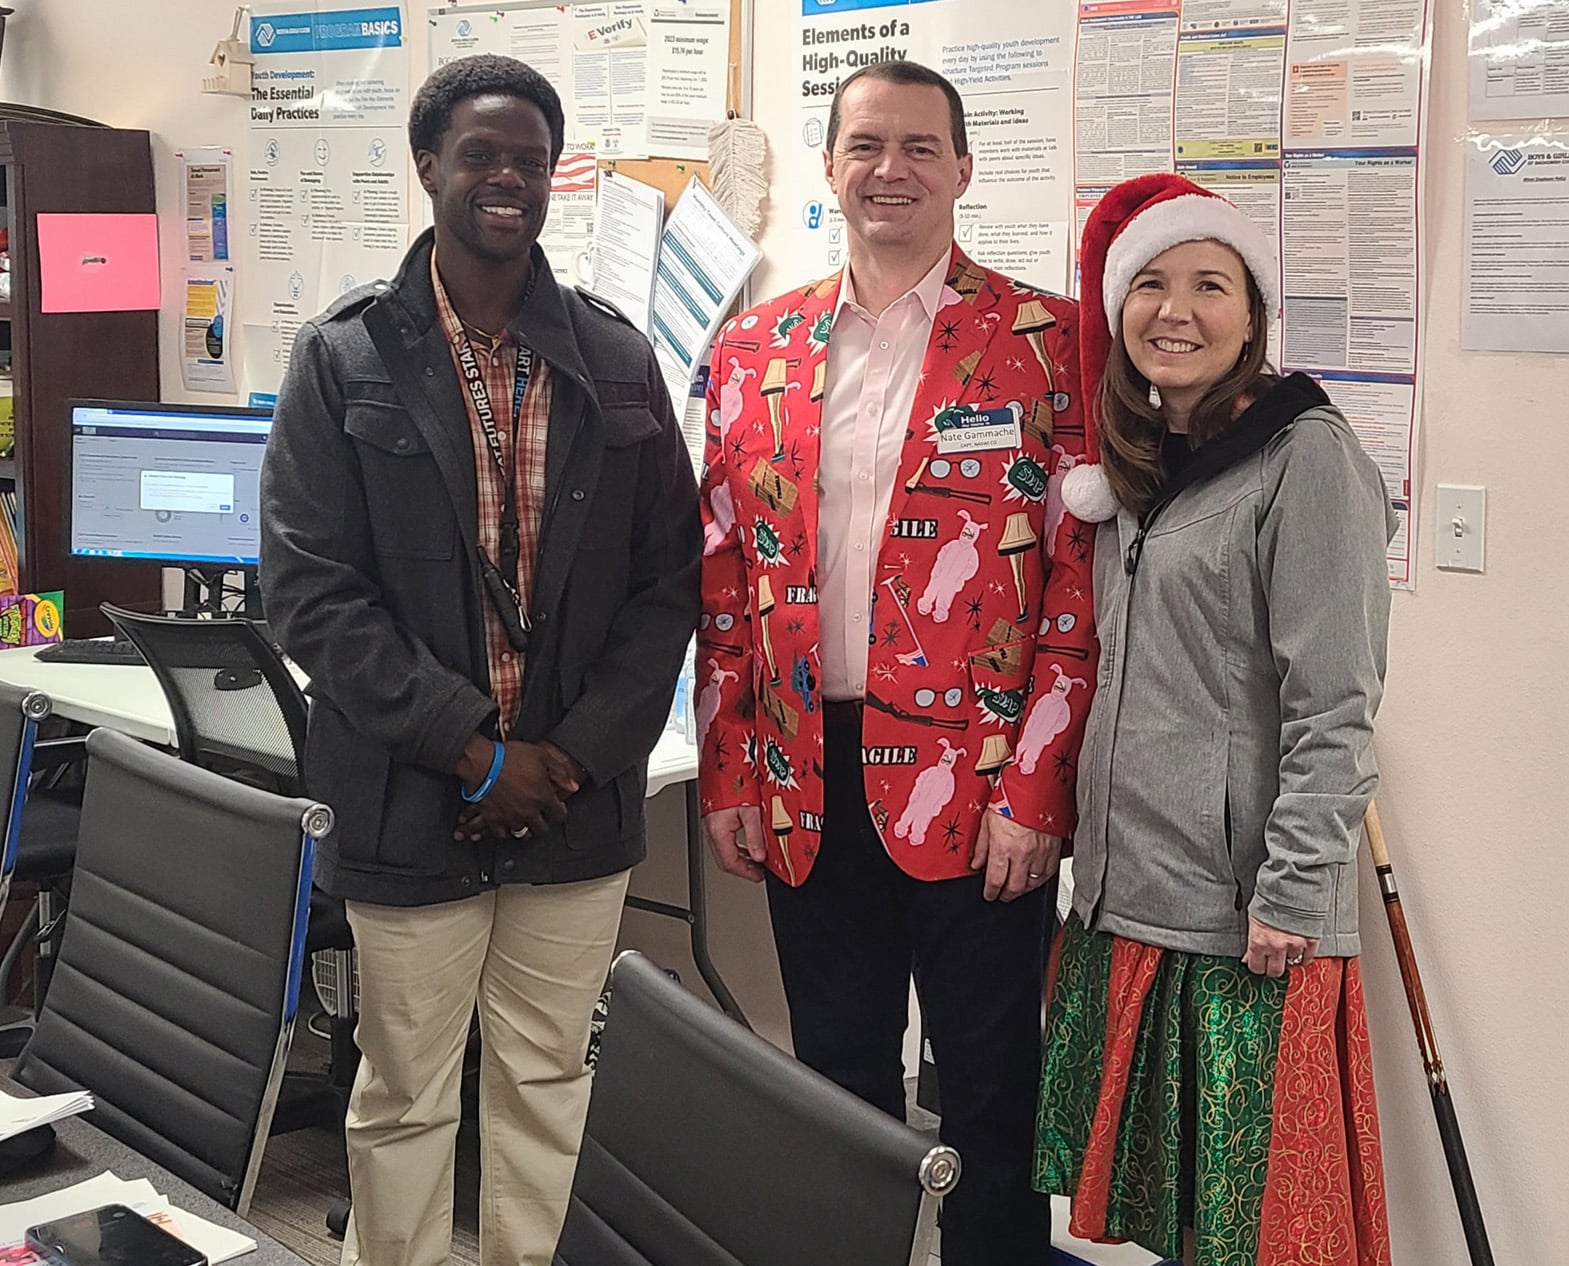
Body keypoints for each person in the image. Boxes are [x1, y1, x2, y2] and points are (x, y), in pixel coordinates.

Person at [259, 54, 699, 1266]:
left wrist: (565, 757)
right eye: (480, 155)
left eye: (530, 160)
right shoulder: (342, 359)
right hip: (413, 797)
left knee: (546, 1083)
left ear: (553, 179)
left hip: (573, 799)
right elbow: (310, 592)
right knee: (403, 1098)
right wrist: (470, 748)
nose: (507, 179)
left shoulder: (617, 360)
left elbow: (670, 582)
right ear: (429, 171)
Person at [695, 60, 1095, 1266]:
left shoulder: (1045, 343)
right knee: (835, 1078)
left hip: (977, 795)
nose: (891, 170)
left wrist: (1037, 792)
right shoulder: (754, 346)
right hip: (806, 773)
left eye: (920, 147)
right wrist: (729, 774)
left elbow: (1075, 592)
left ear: (964, 170)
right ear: (828, 168)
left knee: (986, 1092)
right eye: (866, 146)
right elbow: (725, 580)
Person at [1034, 173, 1396, 1266]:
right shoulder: (1143, 474)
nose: (1174, 311)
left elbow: (1335, 705)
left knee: (1243, 1232)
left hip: (1245, 921)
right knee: (1169, 1223)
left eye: (1207, 284)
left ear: (1252, 313)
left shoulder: (1305, 458)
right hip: (1130, 894)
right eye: (1148, 284)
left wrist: (1287, 894)